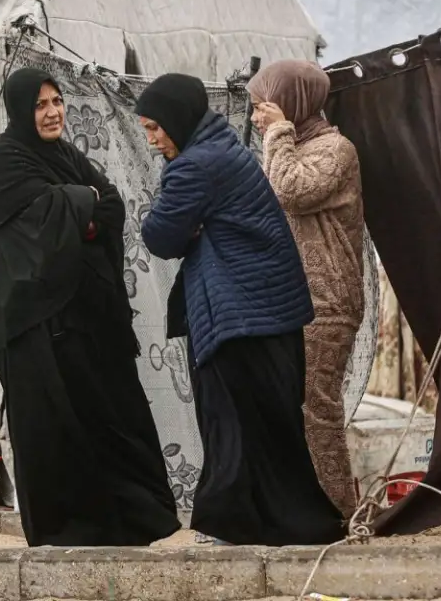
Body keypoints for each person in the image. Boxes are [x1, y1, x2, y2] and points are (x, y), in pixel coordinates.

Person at [135, 72, 344, 547]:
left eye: (155, 128)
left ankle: (229, 525)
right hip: (265, 311)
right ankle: (289, 524)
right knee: (268, 426)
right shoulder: (224, 147)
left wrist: (187, 228)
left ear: (177, 119)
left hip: (239, 315)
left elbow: (160, 236)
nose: (152, 140)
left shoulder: (195, 166)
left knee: (230, 422)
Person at [0, 68, 180, 547]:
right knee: (56, 427)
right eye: (40, 105)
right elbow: (39, 230)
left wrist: (78, 208)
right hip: (35, 325)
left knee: (111, 417)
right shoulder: (5, 161)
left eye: (57, 102)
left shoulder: (68, 156)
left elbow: (110, 205)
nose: (53, 113)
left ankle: (131, 523)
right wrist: (79, 207)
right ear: (21, 111)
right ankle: (69, 531)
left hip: (86, 320)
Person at [249, 59, 366, 521]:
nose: (257, 118)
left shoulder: (336, 150)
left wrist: (279, 132)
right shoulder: (293, 148)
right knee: (292, 409)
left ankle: (337, 514)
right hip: (294, 301)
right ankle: (300, 512)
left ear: (291, 102)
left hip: (327, 301)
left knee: (317, 410)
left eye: (264, 106)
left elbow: (292, 192)